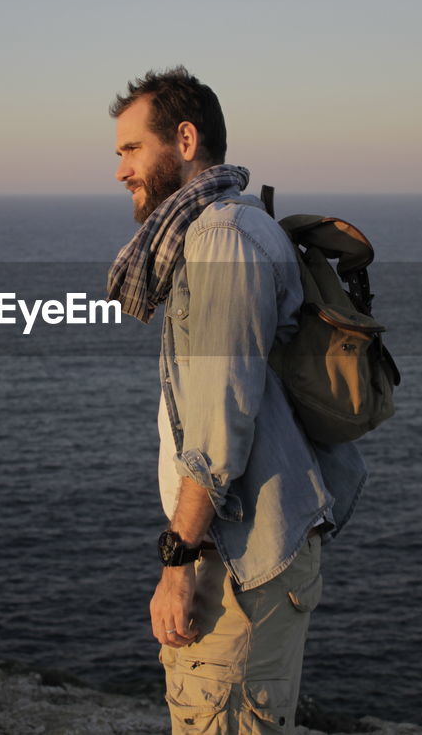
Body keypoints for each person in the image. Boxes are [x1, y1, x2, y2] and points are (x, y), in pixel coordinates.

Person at [106, 67, 368, 734]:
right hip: (243, 550)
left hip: (237, 560)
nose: (120, 171)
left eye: (132, 149)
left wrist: (178, 560)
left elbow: (220, 422)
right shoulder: (224, 228)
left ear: (184, 139)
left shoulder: (221, 237)